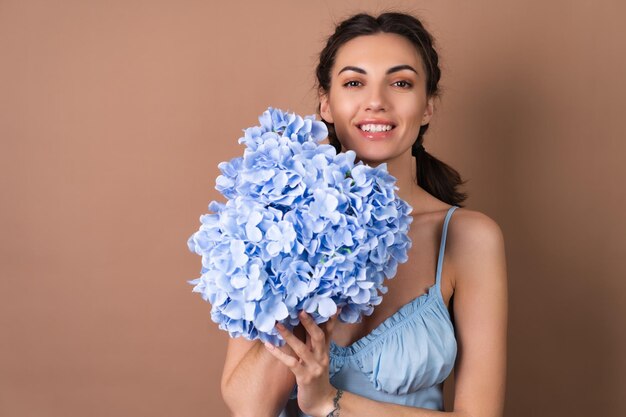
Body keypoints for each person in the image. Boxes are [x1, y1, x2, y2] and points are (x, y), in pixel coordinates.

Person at [221, 12, 507, 417]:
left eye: (401, 83)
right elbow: (249, 407)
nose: (376, 101)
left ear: (427, 106)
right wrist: (306, 255)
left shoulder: (468, 238)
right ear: (326, 103)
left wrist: (329, 401)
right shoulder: (273, 222)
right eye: (355, 82)